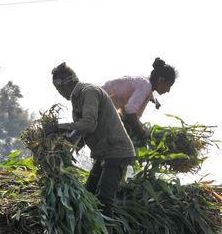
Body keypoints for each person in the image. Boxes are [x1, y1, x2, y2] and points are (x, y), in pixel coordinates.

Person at [45, 62, 136, 214]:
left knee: (104, 199)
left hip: (116, 151)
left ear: (63, 86)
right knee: (88, 195)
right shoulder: (77, 98)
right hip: (104, 154)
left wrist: (58, 127)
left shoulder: (89, 92)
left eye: (58, 89)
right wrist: (62, 152)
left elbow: (88, 124)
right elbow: (80, 132)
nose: (60, 93)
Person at [102, 57, 178, 143]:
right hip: (97, 102)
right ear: (160, 80)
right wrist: (142, 133)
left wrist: (145, 131)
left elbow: (133, 116)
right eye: (169, 85)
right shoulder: (145, 85)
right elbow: (130, 112)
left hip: (103, 107)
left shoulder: (147, 89)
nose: (168, 90)